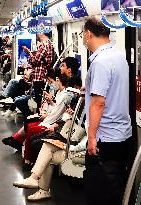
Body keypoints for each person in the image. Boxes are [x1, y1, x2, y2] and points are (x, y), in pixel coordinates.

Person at [83, 17, 132, 205]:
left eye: (82, 35)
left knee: (100, 191)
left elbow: (98, 103)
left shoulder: (100, 62)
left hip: (105, 138)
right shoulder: (119, 56)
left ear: (89, 34)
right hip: (122, 135)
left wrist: (92, 137)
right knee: (116, 187)